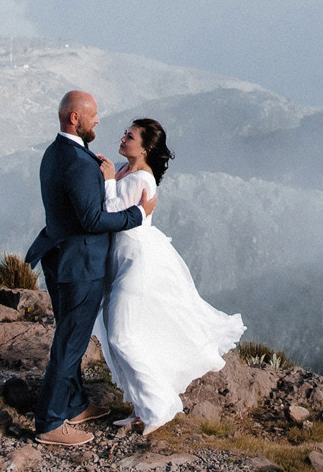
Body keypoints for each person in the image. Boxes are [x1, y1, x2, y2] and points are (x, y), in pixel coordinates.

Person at [93, 117, 247, 432]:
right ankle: (140, 408)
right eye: (126, 132)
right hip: (119, 260)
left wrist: (108, 180)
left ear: (147, 148)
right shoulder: (126, 171)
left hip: (137, 260)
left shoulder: (142, 180)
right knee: (116, 334)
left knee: (122, 335)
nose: (123, 138)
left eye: (131, 136)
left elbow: (114, 216)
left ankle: (159, 406)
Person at [22, 90, 150, 447]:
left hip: (62, 258)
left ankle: (75, 404)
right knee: (70, 343)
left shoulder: (56, 153)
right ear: (75, 118)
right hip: (80, 265)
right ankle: (49, 422)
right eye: (93, 115)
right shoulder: (78, 162)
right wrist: (137, 215)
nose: (98, 121)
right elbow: (92, 219)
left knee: (70, 335)